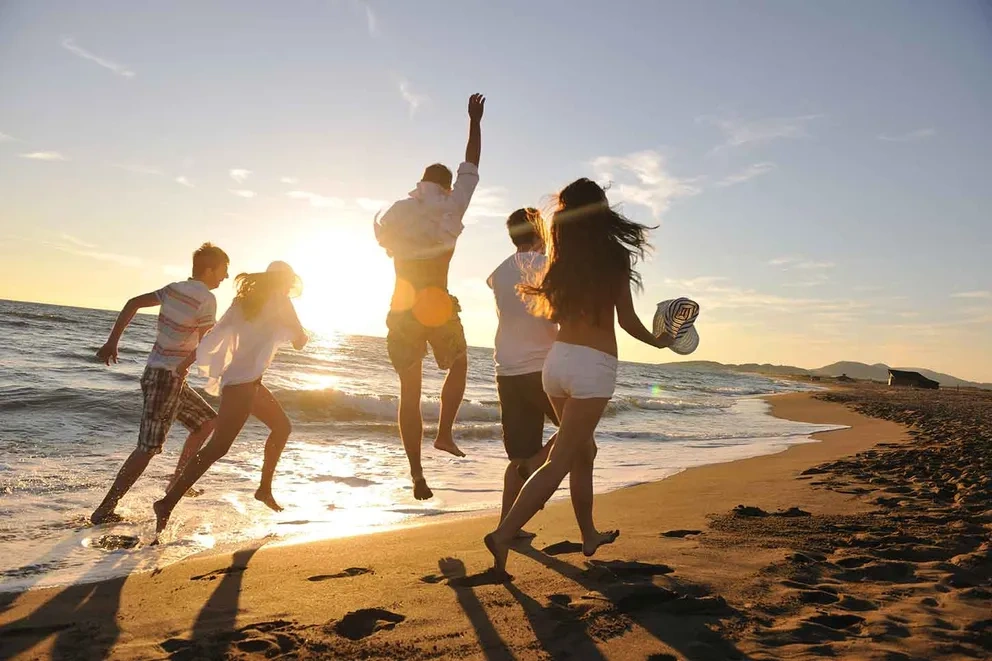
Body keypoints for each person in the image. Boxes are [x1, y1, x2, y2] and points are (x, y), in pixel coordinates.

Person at [484, 179, 675, 576]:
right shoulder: (614, 255)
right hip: (593, 366)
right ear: (601, 210)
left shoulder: (558, 257)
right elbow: (627, 320)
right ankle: (503, 534)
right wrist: (658, 342)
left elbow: (554, 314)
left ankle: (588, 535)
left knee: (583, 452)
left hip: (556, 363)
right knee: (558, 461)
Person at [373, 93, 485, 500]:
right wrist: (474, 121)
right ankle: (444, 433)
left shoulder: (398, 211)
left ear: (420, 182)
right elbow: (472, 165)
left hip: (402, 306)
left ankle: (417, 474)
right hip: (436, 303)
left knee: (410, 393)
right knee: (460, 362)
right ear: (447, 186)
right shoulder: (452, 206)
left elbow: (383, 239)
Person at [153, 261, 308, 534]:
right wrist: (297, 333)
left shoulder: (244, 301)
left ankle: (264, 489)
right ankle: (167, 502)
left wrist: (187, 362)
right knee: (217, 448)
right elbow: (300, 340)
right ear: (284, 280)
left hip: (244, 382)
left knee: (282, 427)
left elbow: (214, 334)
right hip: (243, 386)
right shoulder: (280, 301)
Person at [90, 243, 230, 525]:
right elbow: (206, 342)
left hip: (162, 374)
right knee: (148, 447)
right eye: (223, 271)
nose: (225, 277)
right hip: (167, 377)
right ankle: (104, 510)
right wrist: (186, 364)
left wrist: (112, 341)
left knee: (206, 422)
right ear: (209, 269)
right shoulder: (206, 298)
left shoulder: (173, 289)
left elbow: (133, 303)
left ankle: (177, 482)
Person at [487, 208, 559, 535]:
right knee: (578, 432)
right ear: (539, 232)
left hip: (506, 370)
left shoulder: (499, 272)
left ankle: (508, 526)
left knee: (517, 457)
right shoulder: (546, 266)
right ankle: (534, 466)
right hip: (541, 368)